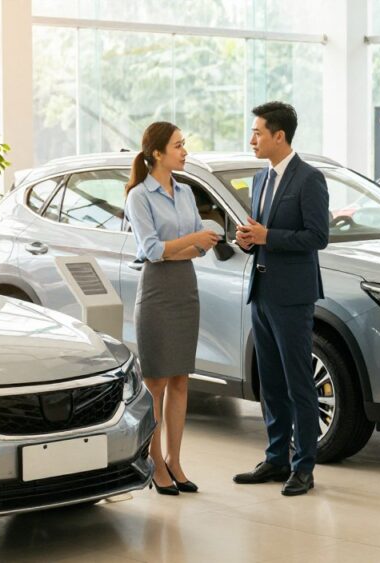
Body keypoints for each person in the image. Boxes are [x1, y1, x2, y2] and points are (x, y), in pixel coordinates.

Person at [232, 102, 329, 496]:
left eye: (257, 132)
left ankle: (303, 467)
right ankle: (276, 459)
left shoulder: (309, 179)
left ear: (279, 136)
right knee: (270, 383)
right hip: (262, 292)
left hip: (293, 297)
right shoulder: (259, 179)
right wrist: (247, 240)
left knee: (298, 384)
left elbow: (317, 237)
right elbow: (260, 234)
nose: (251, 139)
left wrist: (268, 236)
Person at [124, 121, 220, 496]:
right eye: (179, 146)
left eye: (185, 145)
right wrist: (191, 241)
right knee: (157, 383)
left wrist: (182, 245)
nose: (185, 151)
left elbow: (199, 247)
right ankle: (155, 461)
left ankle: (176, 460)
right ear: (158, 153)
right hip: (157, 291)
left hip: (185, 287)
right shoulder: (139, 196)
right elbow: (151, 250)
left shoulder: (183, 192)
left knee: (181, 380)